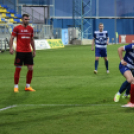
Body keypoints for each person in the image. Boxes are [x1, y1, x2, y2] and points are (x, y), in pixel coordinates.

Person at [9, 14, 36, 93]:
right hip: (20, 51)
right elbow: (12, 38)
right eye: (25, 19)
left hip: (28, 51)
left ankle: (28, 86)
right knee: (18, 68)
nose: (27, 21)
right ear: (22, 20)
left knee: (31, 68)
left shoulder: (31, 28)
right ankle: (16, 87)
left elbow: (31, 40)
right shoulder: (17, 28)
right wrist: (11, 48)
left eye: (28, 19)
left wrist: (34, 50)